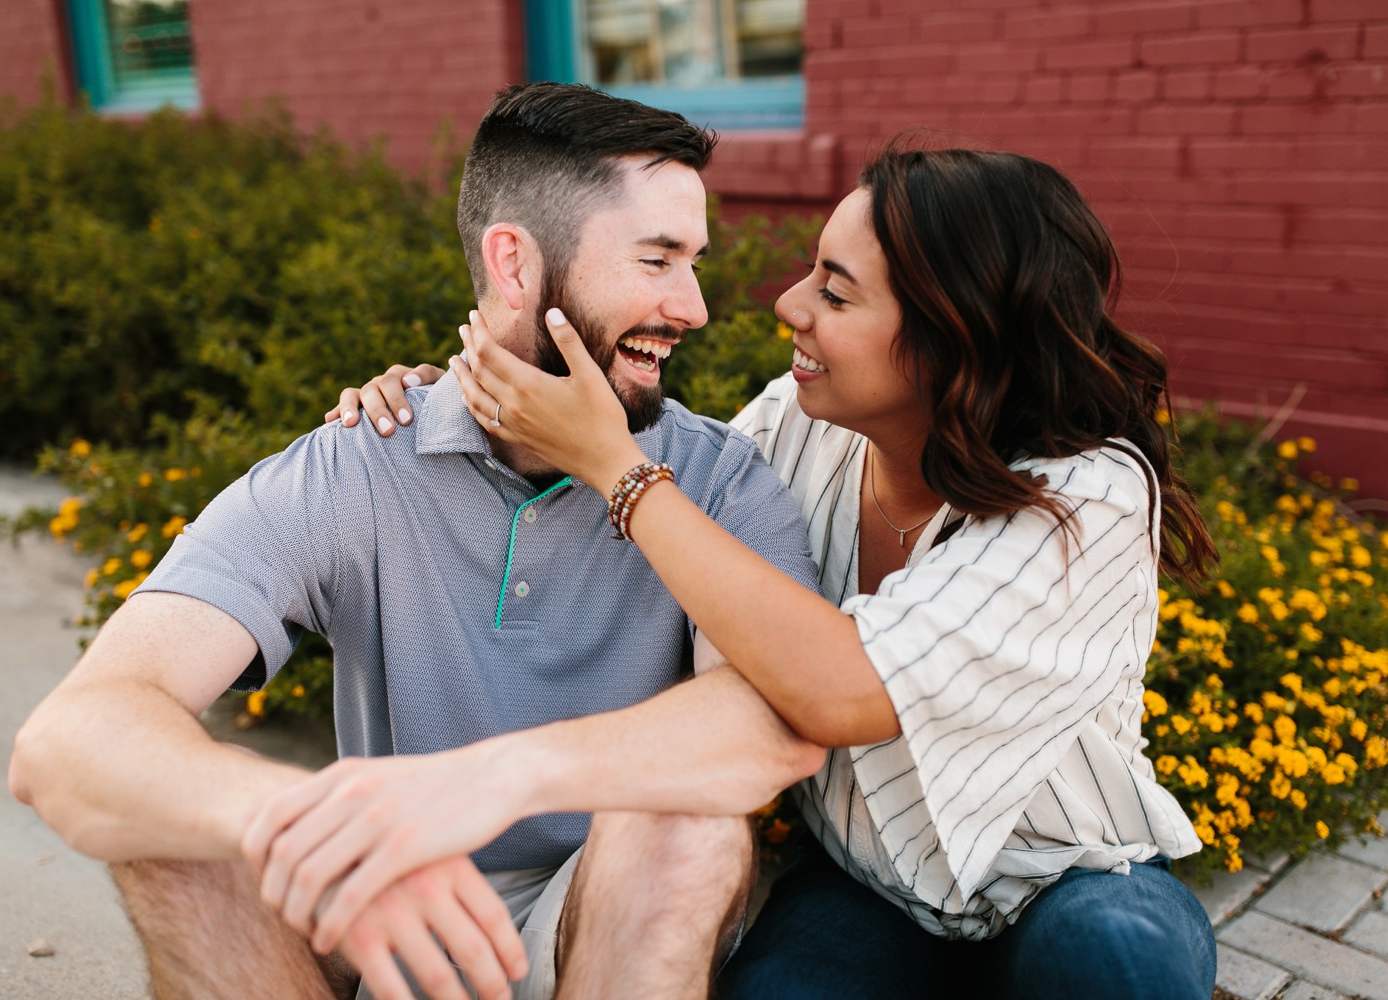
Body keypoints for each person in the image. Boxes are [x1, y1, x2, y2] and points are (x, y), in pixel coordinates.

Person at [320, 144, 1222, 999]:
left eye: (835, 291)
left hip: (1066, 874)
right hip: (868, 888)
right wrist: (470, 414)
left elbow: (842, 688)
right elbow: (679, 515)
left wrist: (613, 470)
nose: (789, 304)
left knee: (1115, 965)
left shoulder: (1089, 495)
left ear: (951, 337)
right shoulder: (798, 420)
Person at [7, 82, 828, 1000]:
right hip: (380, 921)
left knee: (689, 824)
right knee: (176, 830)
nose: (694, 307)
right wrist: (315, 821)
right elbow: (69, 737)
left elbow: (768, 722)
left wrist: (486, 783)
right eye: (657, 260)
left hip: (599, 913)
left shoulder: (720, 481)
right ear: (513, 266)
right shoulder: (358, 466)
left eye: (695, 263)